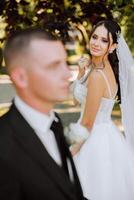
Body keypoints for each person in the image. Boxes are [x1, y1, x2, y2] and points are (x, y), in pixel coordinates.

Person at [0, 28, 87, 200]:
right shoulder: (3, 144)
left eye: (65, 62)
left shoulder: (54, 123)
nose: (67, 74)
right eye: (54, 66)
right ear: (21, 77)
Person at [68, 20, 134, 200]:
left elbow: (87, 123)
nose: (96, 43)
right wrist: (81, 73)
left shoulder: (98, 76)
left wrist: (69, 153)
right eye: (95, 37)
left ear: (112, 47)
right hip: (106, 134)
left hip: (92, 140)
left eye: (104, 40)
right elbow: (76, 101)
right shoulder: (99, 70)